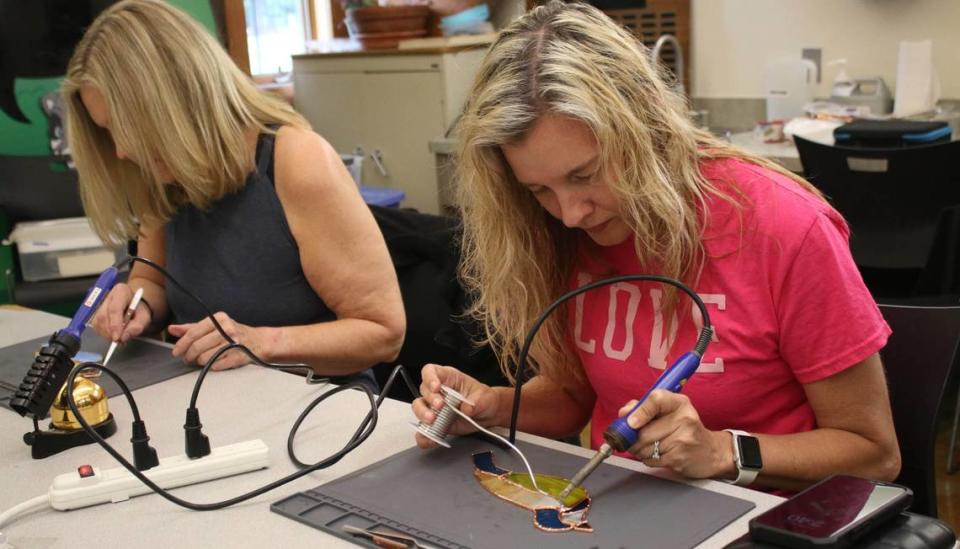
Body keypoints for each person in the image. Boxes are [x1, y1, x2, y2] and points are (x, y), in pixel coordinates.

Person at [412, 0, 900, 492]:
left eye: (585, 175)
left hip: (772, 516)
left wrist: (723, 451)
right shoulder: (556, 233)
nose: (570, 213)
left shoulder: (783, 226)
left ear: (645, 129)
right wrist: (491, 407)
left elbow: (874, 455)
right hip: (625, 507)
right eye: (539, 191)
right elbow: (571, 395)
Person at [66, 0, 405, 377]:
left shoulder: (297, 161)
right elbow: (153, 279)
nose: (122, 150)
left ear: (174, 105)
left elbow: (383, 333)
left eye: (125, 127)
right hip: (211, 397)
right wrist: (138, 304)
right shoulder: (162, 172)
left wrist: (260, 343)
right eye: (109, 131)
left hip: (316, 403)